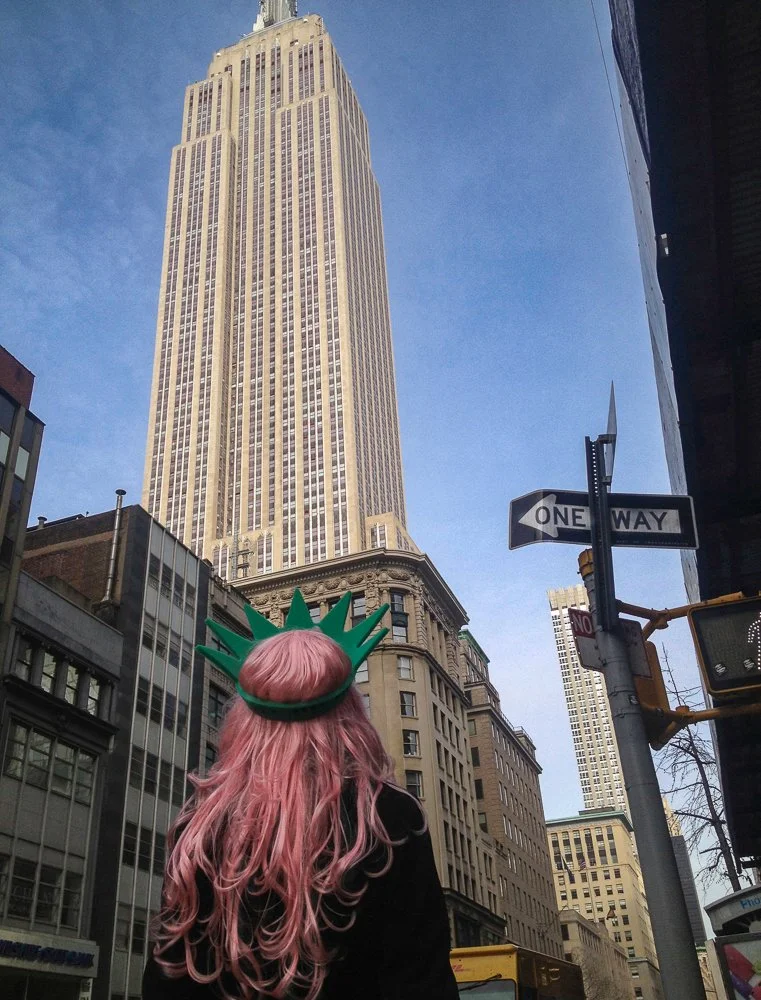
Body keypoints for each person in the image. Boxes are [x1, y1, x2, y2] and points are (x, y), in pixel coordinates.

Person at [143, 590, 459, 1000]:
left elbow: (169, 976)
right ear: (349, 716)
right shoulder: (390, 817)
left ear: (245, 722)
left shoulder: (201, 825)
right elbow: (421, 979)